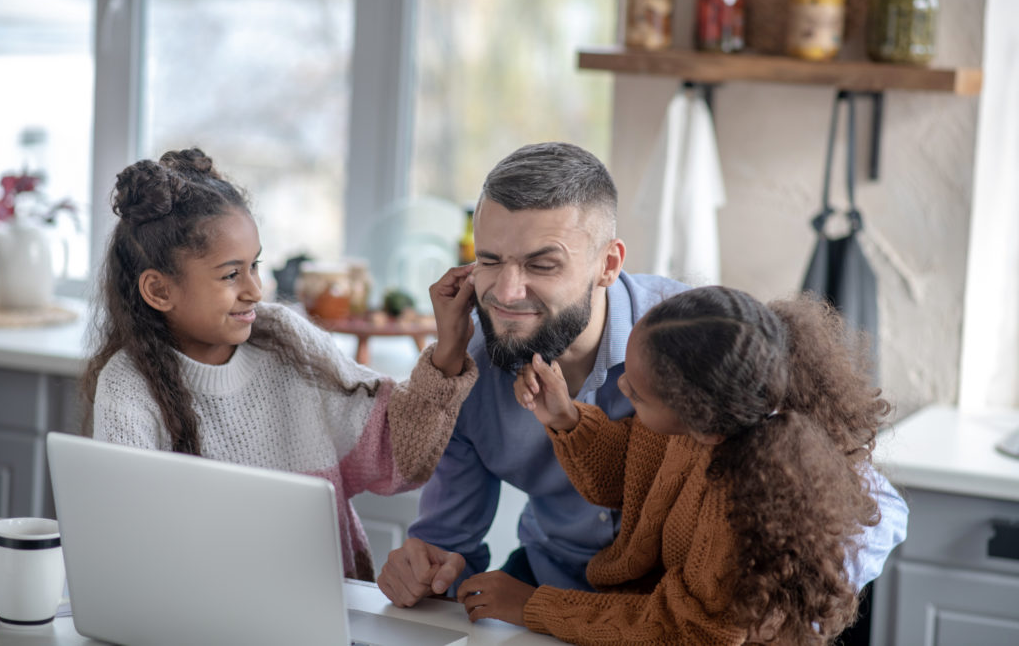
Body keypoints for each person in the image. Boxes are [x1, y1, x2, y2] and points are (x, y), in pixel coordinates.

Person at [377, 142, 907, 609]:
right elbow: (450, 545)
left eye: (542, 265)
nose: (508, 292)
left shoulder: (700, 340)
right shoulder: (459, 365)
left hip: (682, 604)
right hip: (545, 587)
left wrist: (774, 602)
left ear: (609, 265)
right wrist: (429, 570)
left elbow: (879, 512)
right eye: (490, 260)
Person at [80, 148, 478, 581]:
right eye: (231, 275)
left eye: (255, 266)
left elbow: (398, 453)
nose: (255, 289)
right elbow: (130, 543)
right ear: (158, 290)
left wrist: (449, 349)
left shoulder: (286, 339)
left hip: (325, 606)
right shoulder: (128, 385)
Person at [468, 286, 888, 644]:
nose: (621, 385)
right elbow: (630, 475)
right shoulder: (699, 425)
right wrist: (566, 419)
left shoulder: (738, 513)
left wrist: (534, 606)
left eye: (637, 395)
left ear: (702, 426)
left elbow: (683, 630)